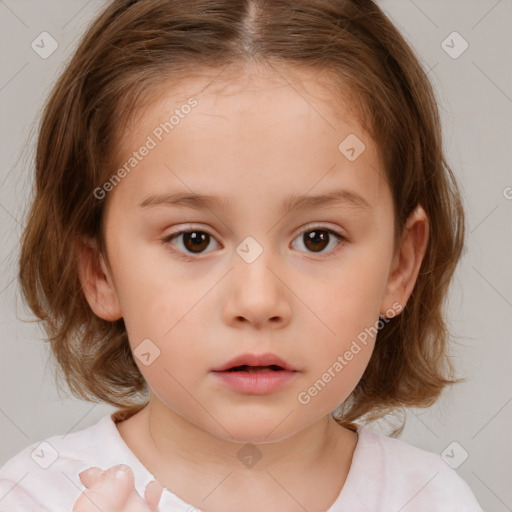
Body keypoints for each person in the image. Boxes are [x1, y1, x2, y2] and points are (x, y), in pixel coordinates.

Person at [0, 0, 483, 511]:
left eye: (317, 238)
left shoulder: (430, 498)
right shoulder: (36, 496)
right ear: (101, 270)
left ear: (399, 266)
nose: (257, 301)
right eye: (194, 240)